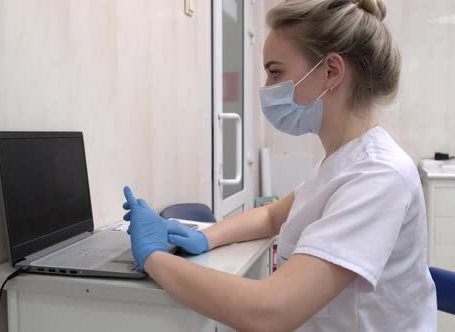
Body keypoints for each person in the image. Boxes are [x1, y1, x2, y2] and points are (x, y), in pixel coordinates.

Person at [122, 0, 437, 330]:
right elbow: (272, 215)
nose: (267, 89)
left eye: (275, 72)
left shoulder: (378, 176)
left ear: (331, 71)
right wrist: (205, 237)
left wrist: (154, 258)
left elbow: (270, 312)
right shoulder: (342, 161)